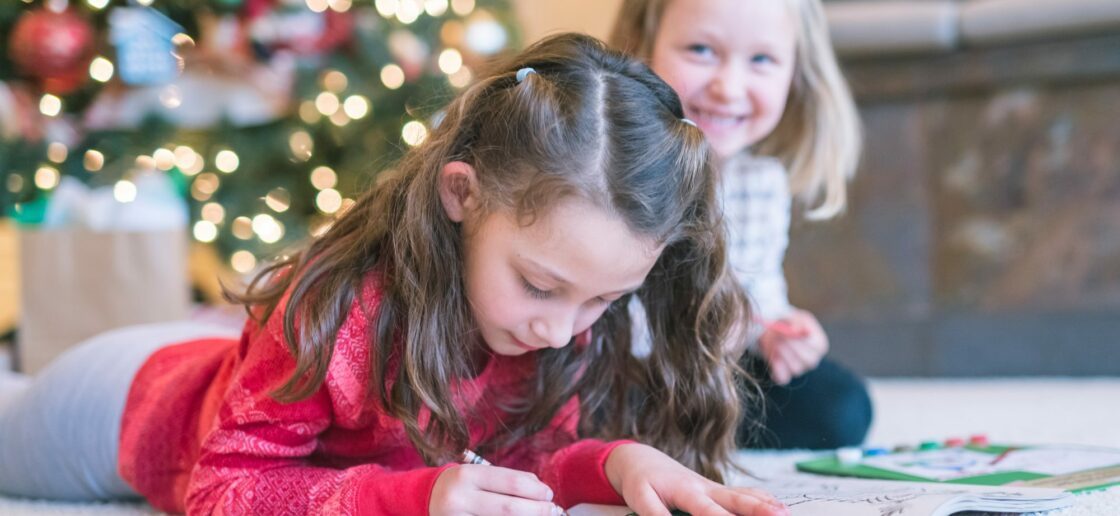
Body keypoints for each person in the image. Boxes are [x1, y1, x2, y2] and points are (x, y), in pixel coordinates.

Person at [0, 34, 791, 516]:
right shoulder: (333, 312)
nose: (561, 328)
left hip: (232, 365)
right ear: (461, 195)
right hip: (118, 409)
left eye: (604, 299)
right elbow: (223, 490)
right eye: (542, 287)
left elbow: (529, 460)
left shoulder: (559, 312)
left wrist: (612, 463)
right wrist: (416, 498)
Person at [611, 0, 873, 450]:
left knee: (842, 407)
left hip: (710, 370)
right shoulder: (614, 170)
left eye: (761, 60)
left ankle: (681, 430)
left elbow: (758, 295)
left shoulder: (761, 182)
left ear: (795, 74)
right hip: (621, 368)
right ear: (642, 46)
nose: (728, 88)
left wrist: (775, 333)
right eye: (700, 49)